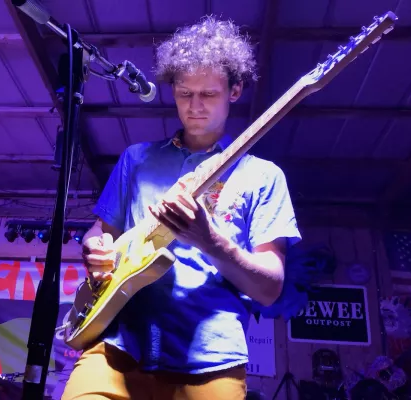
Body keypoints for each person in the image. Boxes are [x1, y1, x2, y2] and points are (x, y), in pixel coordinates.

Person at [61, 16, 302, 400]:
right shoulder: (136, 159)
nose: (194, 107)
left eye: (208, 94)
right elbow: (101, 231)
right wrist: (96, 248)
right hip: (117, 343)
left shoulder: (264, 176)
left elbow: (270, 288)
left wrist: (210, 241)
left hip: (212, 360)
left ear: (235, 90)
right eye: (184, 93)